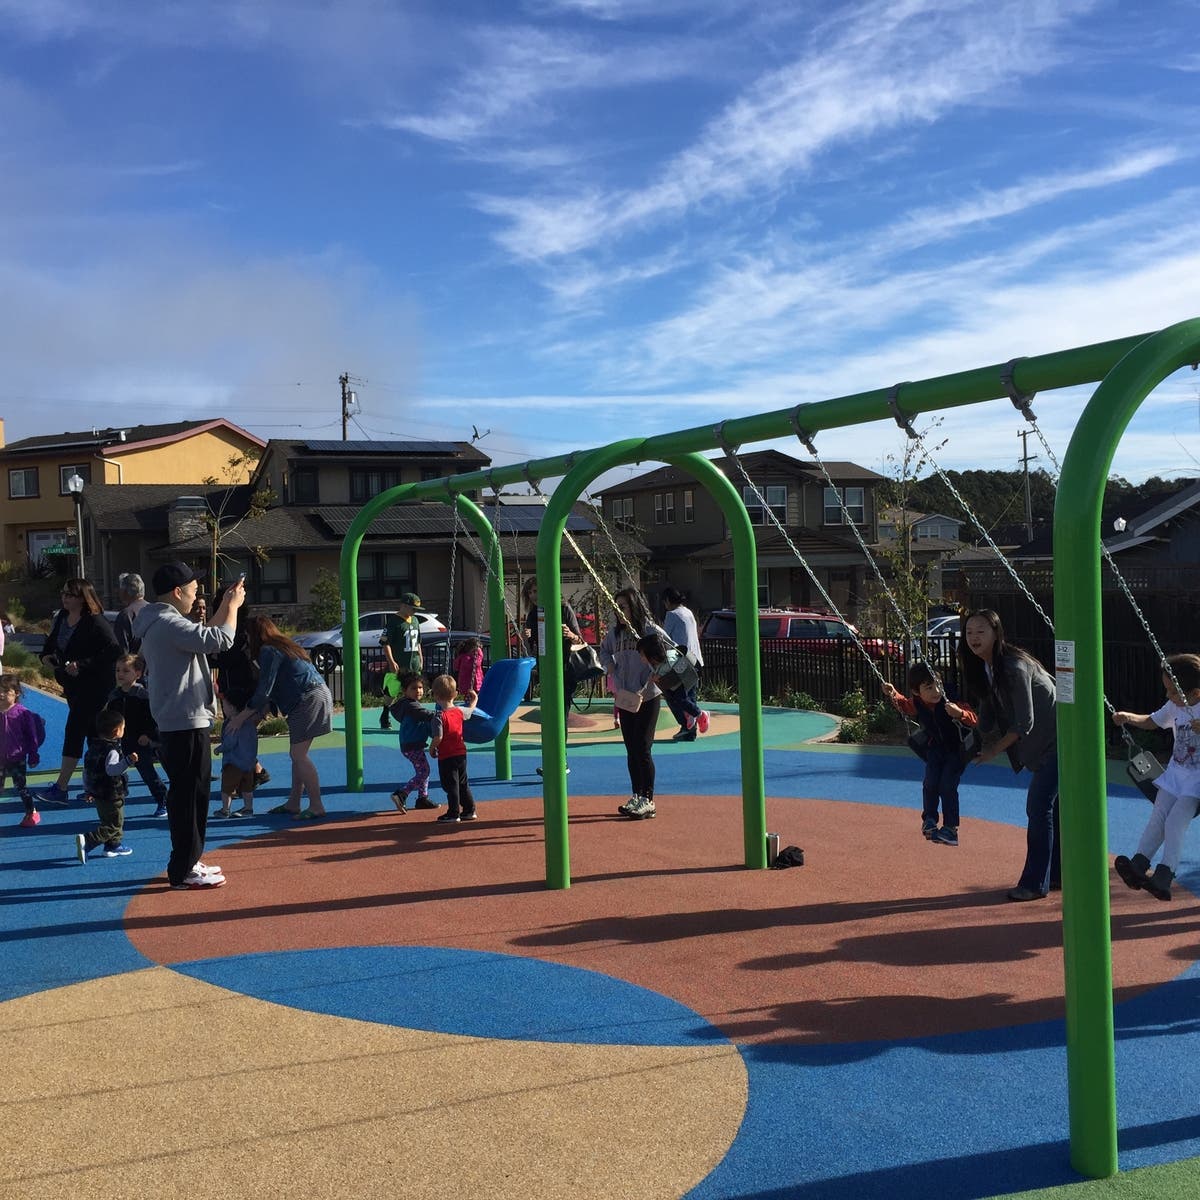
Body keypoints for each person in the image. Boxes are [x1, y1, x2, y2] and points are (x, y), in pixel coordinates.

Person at [133, 562, 243, 891]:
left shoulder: (160, 621)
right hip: (185, 719)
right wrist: (233, 606)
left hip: (180, 718)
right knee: (190, 797)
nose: (197, 596)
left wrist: (226, 604)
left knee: (189, 793)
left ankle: (189, 860)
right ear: (177, 591)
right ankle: (184, 867)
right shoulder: (168, 623)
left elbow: (205, 637)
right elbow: (220, 640)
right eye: (193, 590)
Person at [959, 609, 1058, 901]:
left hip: (1060, 743)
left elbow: (1024, 723)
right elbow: (988, 716)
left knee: (1038, 808)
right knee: (1050, 810)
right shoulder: (989, 668)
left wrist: (993, 750)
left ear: (996, 634)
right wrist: (965, 734)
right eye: (969, 632)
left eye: (981, 631)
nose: (974, 638)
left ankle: (1035, 883)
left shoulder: (1014, 667)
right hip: (1043, 746)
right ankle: (1054, 874)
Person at [1111, 653, 1200, 901]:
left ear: (1195, 693)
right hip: (1174, 775)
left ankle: (1165, 874)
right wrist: (1129, 717)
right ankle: (1139, 864)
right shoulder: (1174, 706)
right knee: (1158, 817)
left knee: (1174, 823)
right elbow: (1152, 721)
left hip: (1196, 783)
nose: (1168, 696)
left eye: (1172, 692)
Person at [227, 615, 333, 819]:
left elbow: (264, 690)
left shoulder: (268, 651)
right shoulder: (283, 646)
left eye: (247, 635)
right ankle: (294, 802)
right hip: (313, 695)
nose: (246, 639)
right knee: (297, 755)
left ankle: (316, 805)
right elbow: (274, 688)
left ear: (255, 634)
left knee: (298, 755)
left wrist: (241, 718)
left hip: (306, 699)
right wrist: (259, 713)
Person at [35, 579, 120, 807]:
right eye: (63, 593)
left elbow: (115, 650)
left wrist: (82, 664)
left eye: (70, 594)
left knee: (74, 730)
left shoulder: (95, 621)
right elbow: (51, 644)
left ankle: (61, 787)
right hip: (72, 686)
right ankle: (98, 786)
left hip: (95, 686)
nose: (64, 598)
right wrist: (45, 657)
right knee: (94, 735)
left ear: (82, 598)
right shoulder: (62, 617)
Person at [882, 664, 979, 846]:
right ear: (916, 692)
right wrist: (893, 693)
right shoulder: (917, 702)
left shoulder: (950, 700)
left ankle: (950, 828)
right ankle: (930, 819)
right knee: (930, 783)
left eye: (938, 685)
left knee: (947, 786)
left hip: (955, 751)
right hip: (935, 749)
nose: (936, 691)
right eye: (929, 687)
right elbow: (906, 706)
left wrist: (960, 713)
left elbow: (974, 719)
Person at [600, 588, 667, 821]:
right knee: (631, 749)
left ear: (634, 607)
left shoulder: (649, 630)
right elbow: (604, 651)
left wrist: (659, 670)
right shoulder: (615, 634)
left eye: (623, 607)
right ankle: (637, 795)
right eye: (616, 607)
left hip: (647, 696)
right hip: (626, 697)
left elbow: (671, 652)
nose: (619, 611)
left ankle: (648, 799)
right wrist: (609, 666)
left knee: (642, 747)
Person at [523, 577, 585, 776]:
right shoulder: (534, 614)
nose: (533, 596)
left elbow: (580, 639)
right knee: (549, 715)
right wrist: (527, 638)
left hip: (565, 669)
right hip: (546, 669)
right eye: (530, 592)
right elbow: (532, 645)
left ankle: (560, 760)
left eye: (536, 591)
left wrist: (570, 635)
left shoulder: (563, 609)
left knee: (560, 714)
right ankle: (552, 759)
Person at [106, 653, 169, 817]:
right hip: (121, 740)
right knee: (117, 769)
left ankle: (163, 798)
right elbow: (111, 718)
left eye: (126, 671)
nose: (120, 674)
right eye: (118, 670)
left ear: (138, 674)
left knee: (147, 772)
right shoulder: (114, 696)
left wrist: (148, 735)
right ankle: (120, 792)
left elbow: (152, 717)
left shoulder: (142, 695)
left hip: (140, 741)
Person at [72, 709, 137, 862]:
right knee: (115, 823)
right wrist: (128, 761)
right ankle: (89, 840)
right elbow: (112, 770)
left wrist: (88, 789)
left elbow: (86, 771)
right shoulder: (112, 750)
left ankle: (113, 845)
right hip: (111, 793)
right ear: (116, 731)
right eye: (123, 727)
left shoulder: (93, 747)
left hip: (97, 791)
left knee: (107, 819)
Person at [637, 633, 710, 737]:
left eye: (642, 655)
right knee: (680, 700)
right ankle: (690, 715)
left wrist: (659, 677)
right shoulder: (659, 661)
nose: (641, 658)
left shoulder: (668, 659)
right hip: (683, 680)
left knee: (680, 699)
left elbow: (669, 671)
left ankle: (700, 714)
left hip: (682, 680)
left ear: (651, 654)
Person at [429, 673, 478, 823]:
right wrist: (474, 699)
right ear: (455, 694)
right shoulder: (459, 711)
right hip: (461, 753)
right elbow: (470, 710)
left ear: (435, 696)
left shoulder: (438, 716)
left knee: (450, 785)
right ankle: (469, 809)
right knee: (462, 782)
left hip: (447, 755)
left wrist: (432, 748)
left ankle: (453, 812)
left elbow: (438, 737)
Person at [389, 672, 438, 813]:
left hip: (412, 744)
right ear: (405, 691)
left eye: (420, 688)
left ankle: (422, 798)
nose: (418, 691)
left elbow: (425, 724)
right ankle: (402, 793)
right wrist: (443, 714)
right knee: (424, 771)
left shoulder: (411, 704)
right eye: (414, 688)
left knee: (423, 770)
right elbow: (426, 715)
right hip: (412, 745)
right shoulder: (411, 706)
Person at [661, 586, 705, 742]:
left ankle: (691, 720)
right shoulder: (688, 612)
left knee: (672, 695)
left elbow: (664, 638)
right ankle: (690, 730)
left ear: (667, 601)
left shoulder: (672, 615)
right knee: (690, 695)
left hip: (680, 661)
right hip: (695, 659)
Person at [2, 675, 47, 827]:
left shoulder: (22, 713)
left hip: (17, 757)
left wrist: (33, 755)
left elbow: (32, 737)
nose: (1, 694)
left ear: (16, 693)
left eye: (5, 691)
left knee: (20, 787)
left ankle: (31, 812)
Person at [378, 592, 424, 731]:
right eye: (412, 608)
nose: (414, 611)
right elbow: (386, 643)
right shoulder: (393, 621)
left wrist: (420, 657)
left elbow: (418, 642)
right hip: (399, 664)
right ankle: (385, 714)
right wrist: (391, 661)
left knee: (414, 691)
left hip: (413, 663)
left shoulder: (415, 621)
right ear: (403, 606)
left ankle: (412, 716)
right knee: (392, 691)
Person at [212, 706, 260, 820]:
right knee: (247, 788)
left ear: (233, 708)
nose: (224, 708)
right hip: (248, 763)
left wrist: (218, 749)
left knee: (227, 789)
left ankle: (225, 809)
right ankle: (248, 808)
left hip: (233, 762)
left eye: (225, 705)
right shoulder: (250, 723)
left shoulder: (233, 724)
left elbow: (230, 742)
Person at [112, 572, 149, 653]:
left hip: (134, 660)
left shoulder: (126, 615)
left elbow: (122, 651)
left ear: (125, 592)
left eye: (120, 589)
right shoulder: (152, 609)